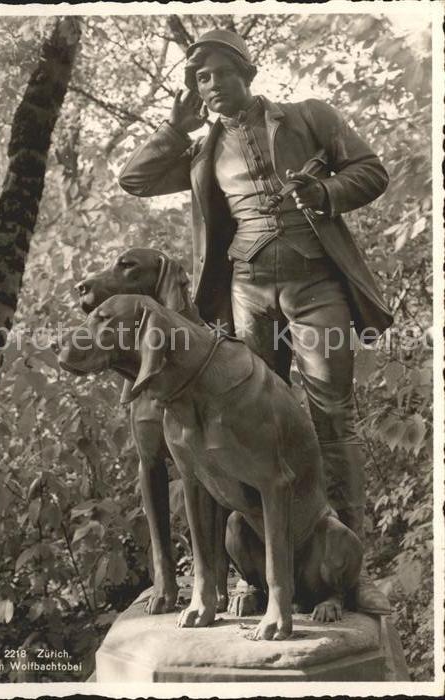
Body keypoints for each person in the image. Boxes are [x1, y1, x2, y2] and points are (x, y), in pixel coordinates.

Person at [118, 29, 393, 614]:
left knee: (331, 418)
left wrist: (323, 192)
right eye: (199, 79)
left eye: (218, 73)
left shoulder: (310, 116)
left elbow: (371, 172)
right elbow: (134, 179)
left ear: (249, 72)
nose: (209, 85)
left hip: (317, 284)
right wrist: (175, 128)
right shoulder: (201, 149)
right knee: (242, 428)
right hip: (245, 293)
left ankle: (350, 573)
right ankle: (253, 573)